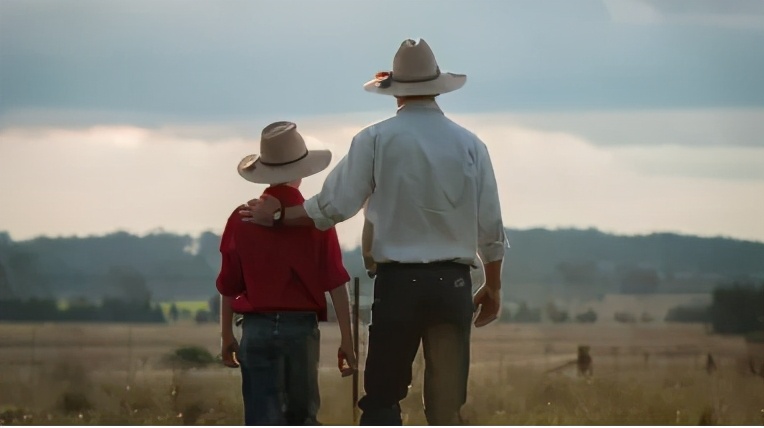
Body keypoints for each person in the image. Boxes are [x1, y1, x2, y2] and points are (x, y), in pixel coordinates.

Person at [240, 39, 507, 425]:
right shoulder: (471, 144)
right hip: (453, 285)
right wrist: (494, 286)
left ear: (394, 91)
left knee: (382, 399)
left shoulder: (375, 138)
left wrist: (280, 216)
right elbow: (491, 224)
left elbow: (335, 205)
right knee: (447, 405)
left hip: (398, 285)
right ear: (436, 86)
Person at [216, 121, 357, 425]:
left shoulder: (241, 219)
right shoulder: (316, 220)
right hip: (300, 329)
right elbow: (335, 281)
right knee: (302, 416)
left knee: (260, 417)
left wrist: (227, 334)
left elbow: (228, 283)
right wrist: (347, 339)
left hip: (256, 329)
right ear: (302, 172)